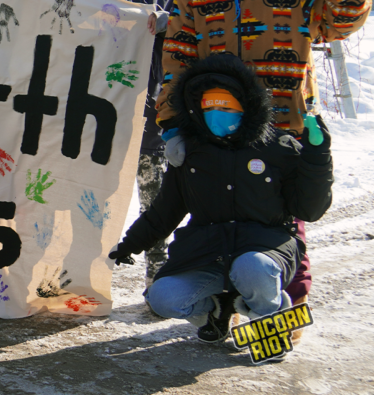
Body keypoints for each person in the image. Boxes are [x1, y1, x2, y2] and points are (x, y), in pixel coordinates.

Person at [155, 0, 370, 318]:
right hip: (216, 125)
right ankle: (223, 300)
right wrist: (173, 124)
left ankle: (289, 307)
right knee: (219, 216)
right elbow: (175, 61)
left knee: (284, 221)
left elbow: (339, 22)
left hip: (283, 122)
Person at [110, 54, 332, 352]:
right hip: (209, 254)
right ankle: (216, 310)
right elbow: (165, 211)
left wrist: (317, 159)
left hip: (264, 251)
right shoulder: (191, 155)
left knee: (251, 267)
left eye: (225, 106)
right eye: (209, 107)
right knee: (162, 297)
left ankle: (272, 318)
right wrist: (129, 244)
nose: (217, 113)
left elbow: (309, 210)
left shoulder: (277, 148)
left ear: (245, 106)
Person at [32, 0, 178, 287]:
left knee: (154, 195)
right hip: (91, 116)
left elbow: (195, 29)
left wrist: (170, 23)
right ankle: (80, 266)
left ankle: (157, 264)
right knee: (89, 196)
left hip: (145, 117)